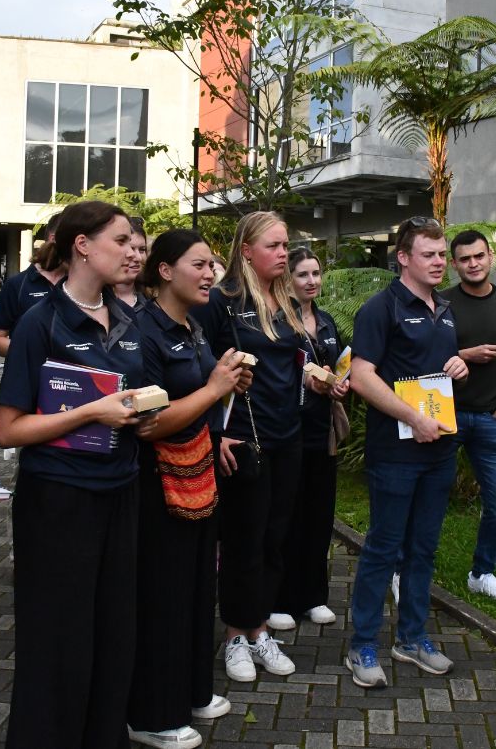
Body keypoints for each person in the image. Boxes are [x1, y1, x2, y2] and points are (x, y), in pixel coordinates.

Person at [0, 200, 154, 748]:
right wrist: (90, 412)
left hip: (121, 492)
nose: (132, 250)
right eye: (119, 240)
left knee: (113, 635)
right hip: (59, 502)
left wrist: (144, 410)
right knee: (58, 641)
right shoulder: (41, 324)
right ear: (82, 246)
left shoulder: (132, 319)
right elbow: (9, 430)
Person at [127, 229, 250, 749]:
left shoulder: (193, 326)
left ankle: (194, 690)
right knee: (166, 595)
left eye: (212, 265)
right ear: (164, 270)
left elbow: (202, 398)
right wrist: (212, 389)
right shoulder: (143, 332)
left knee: (201, 587)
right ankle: (153, 714)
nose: (209, 274)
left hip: (200, 473)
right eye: (198, 265)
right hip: (157, 486)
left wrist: (223, 384)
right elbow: (149, 425)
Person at [344, 216, 468, 689]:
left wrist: (456, 364)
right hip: (396, 453)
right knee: (383, 548)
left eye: (442, 254)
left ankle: (412, 638)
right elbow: (362, 376)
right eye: (430, 255)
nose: (440, 262)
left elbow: (430, 368)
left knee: (423, 548)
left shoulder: (445, 308)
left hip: (439, 448)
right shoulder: (381, 309)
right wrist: (412, 417)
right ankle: (363, 645)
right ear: (403, 258)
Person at [193, 211, 307, 683]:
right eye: (274, 246)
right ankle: (236, 634)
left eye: (286, 245)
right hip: (244, 441)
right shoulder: (221, 302)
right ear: (246, 251)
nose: (284, 253)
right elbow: (197, 373)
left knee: (275, 536)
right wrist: (216, 435)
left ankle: (260, 628)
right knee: (244, 540)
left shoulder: (286, 300)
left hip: (287, 437)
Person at [268, 247, 349, 631]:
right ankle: (281, 597)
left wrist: (337, 383)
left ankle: (313, 595)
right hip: (288, 431)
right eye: (303, 274)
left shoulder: (328, 321)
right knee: (289, 515)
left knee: (319, 516)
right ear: (288, 280)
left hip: (322, 434)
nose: (311, 281)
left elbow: (335, 367)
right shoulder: (277, 323)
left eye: (316, 273)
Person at [444, 229, 496, 604]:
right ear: (453, 264)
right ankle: (407, 569)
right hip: (446, 417)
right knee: (428, 500)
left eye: (479, 256)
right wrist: (465, 354)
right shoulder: (440, 303)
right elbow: (422, 358)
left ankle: (482, 572)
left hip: (491, 419)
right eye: (465, 259)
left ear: (490, 256)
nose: (473, 264)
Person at [0, 212, 64, 356]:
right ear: (54, 239)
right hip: (27, 376)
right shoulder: (17, 285)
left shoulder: (85, 285)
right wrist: (41, 356)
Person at [114, 216, 148, 312]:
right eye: (131, 248)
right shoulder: (97, 301)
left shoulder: (156, 299)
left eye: (142, 250)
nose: (138, 257)